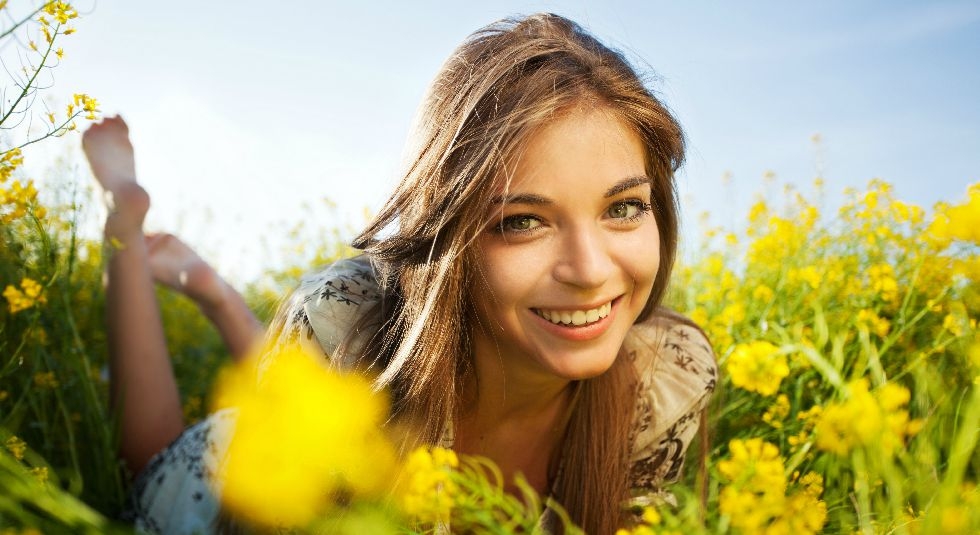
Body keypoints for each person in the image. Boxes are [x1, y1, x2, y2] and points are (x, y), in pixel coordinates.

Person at [84, 13, 717, 535]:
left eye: (624, 207)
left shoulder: (668, 379)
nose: (590, 271)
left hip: (332, 387)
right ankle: (126, 225)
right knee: (154, 463)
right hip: (231, 475)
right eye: (522, 221)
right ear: (447, 238)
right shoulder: (338, 317)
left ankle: (214, 293)